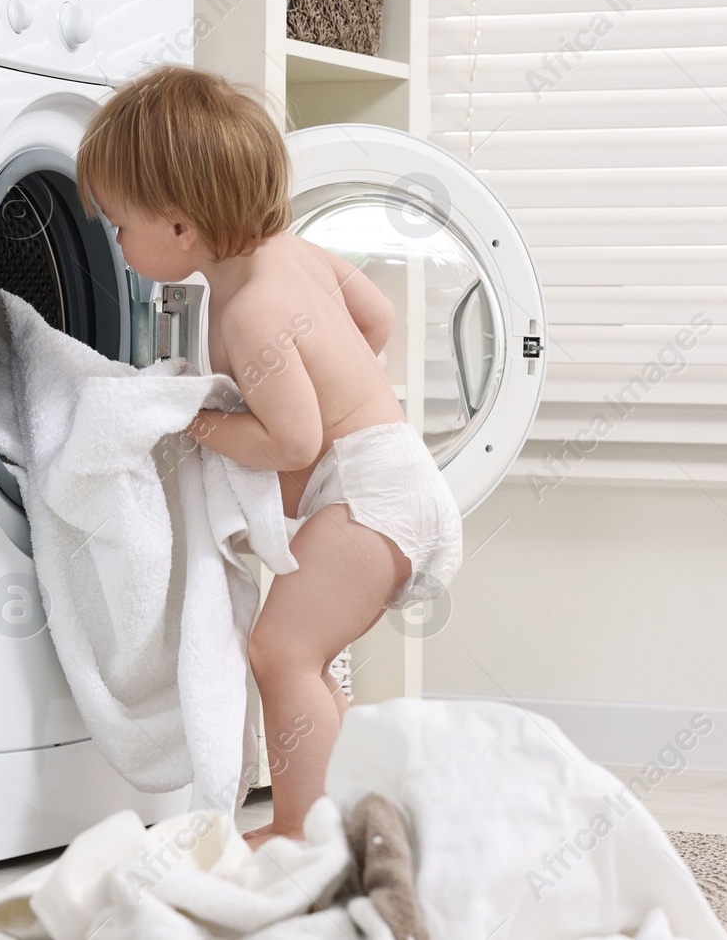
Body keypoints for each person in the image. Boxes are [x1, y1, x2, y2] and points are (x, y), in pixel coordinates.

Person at [76, 65, 462, 850]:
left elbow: (295, 440)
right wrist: (345, 384)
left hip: (368, 492)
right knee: (305, 660)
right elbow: (377, 317)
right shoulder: (295, 252)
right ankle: (350, 807)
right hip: (392, 471)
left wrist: (200, 424)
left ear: (180, 228)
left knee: (281, 650)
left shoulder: (250, 311)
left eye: (119, 224)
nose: (114, 240)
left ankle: (297, 825)